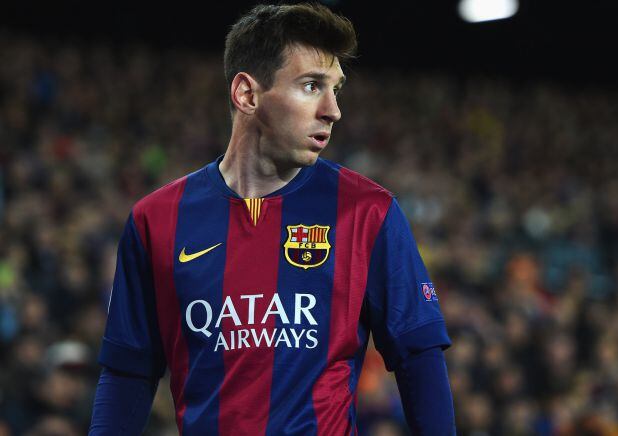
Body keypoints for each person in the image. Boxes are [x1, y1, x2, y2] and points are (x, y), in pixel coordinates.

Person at [89, 3, 455, 435]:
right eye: (311, 86)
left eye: (336, 89)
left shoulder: (367, 211)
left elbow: (420, 358)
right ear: (247, 94)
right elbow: (128, 373)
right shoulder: (156, 220)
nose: (332, 110)